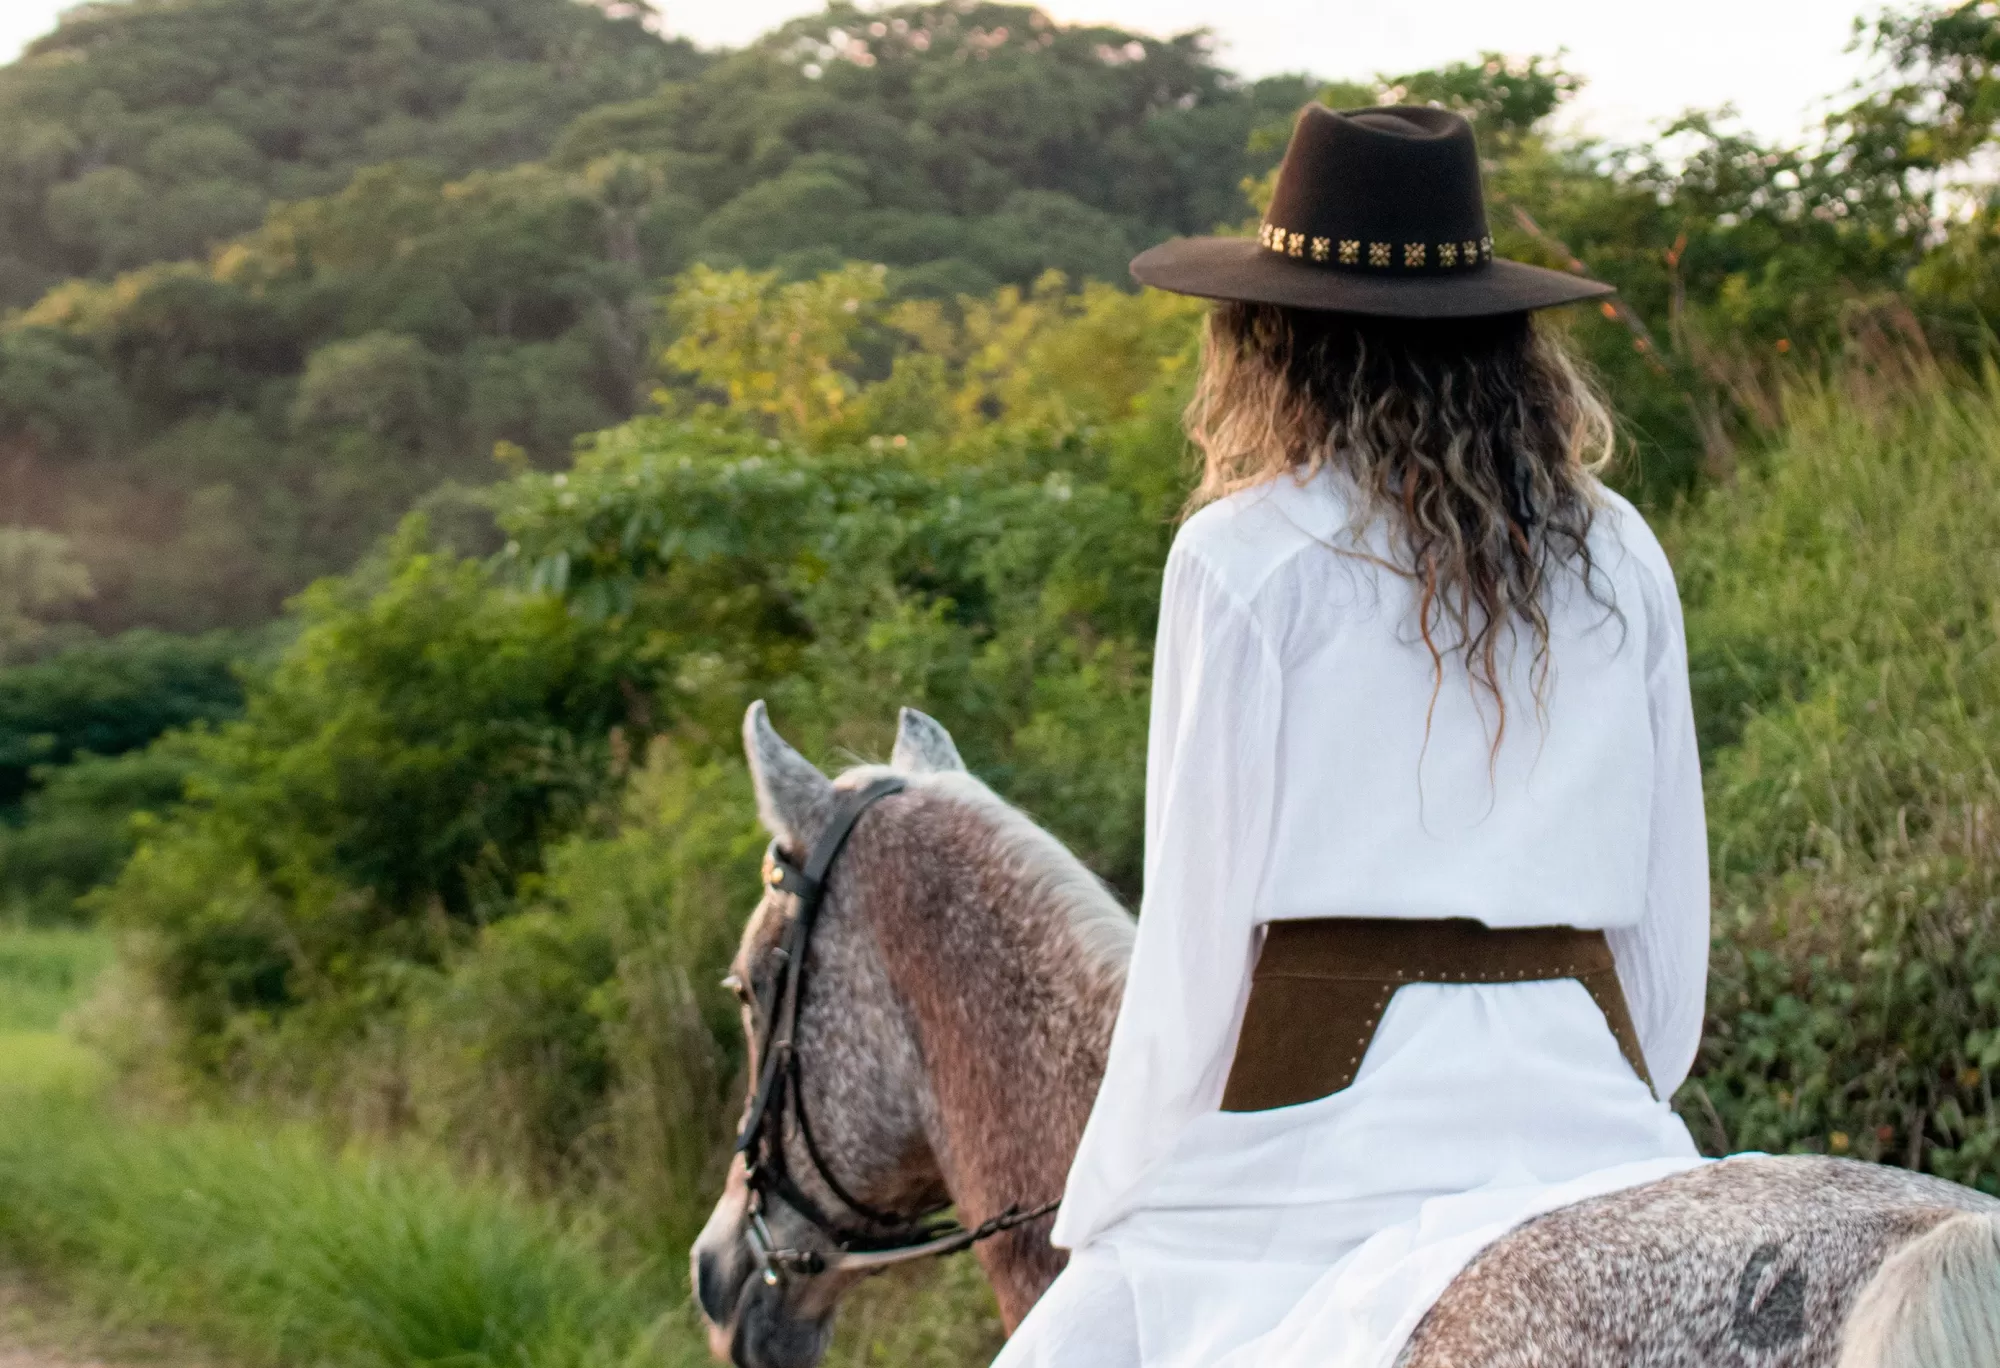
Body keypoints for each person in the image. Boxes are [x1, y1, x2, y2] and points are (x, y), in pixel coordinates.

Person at [993, 104, 1710, 1368]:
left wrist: (1117, 1196)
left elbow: (1194, 935)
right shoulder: (1619, 547)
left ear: (1273, 337)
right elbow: (1667, 914)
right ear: (1501, 334)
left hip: (1317, 1135)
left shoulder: (1241, 559)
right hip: (1594, 1108)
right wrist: (1620, 1106)